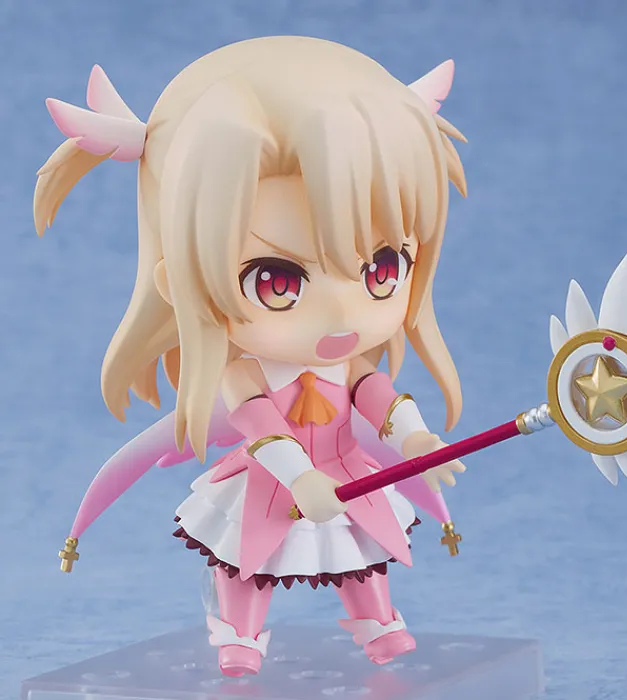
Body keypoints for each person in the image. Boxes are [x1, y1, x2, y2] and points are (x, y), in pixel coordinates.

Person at [34, 36, 468, 677]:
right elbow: (262, 427)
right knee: (248, 560)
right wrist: (301, 478)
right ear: (182, 279)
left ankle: (377, 618)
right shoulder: (244, 374)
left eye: (381, 268)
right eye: (277, 281)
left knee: (362, 549)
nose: (342, 314)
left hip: (345, 473)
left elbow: (378, 397)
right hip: (270, 484)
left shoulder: (347, 366)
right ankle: (239, 631)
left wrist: (415, 438)